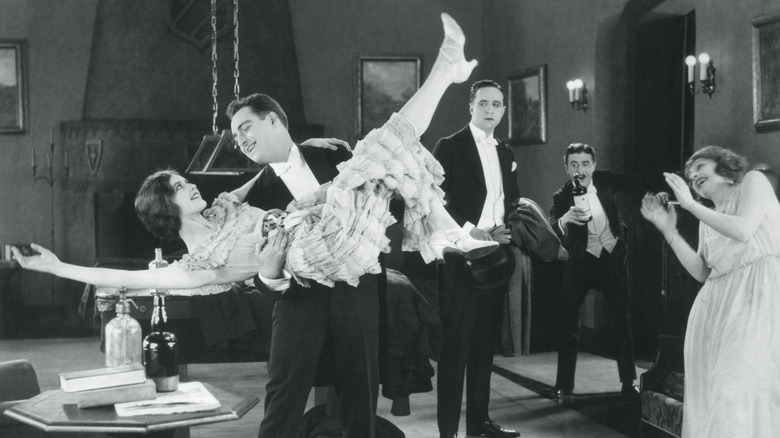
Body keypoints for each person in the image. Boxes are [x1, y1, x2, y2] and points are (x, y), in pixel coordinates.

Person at [14, 12, 488, 438]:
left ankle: (450, 226)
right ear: (167, 210)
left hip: (351, 274)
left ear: (276, 122)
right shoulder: (202, 261)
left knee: (384, 157)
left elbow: (251, 187)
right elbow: (130, 278)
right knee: (382, 151)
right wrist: (58, 268)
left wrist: (290, 166)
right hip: (306, 276)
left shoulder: (278, 178)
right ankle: (447, 80)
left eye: (245, 131)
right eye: (182, 187)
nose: (238, 143)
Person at [640, 146, 780, 438]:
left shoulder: (753, 181)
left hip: (756, 299)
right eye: (690, 177)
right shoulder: (708, 216)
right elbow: (703, 272)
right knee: (711, 397)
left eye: (700, 167)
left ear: (725, 166)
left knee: (736, 391)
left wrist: (690, 205)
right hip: (713, 311)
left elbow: (743, 230)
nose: (693, 177)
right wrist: (669, 230)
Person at [431, 79, 521, 438]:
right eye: (483, 103)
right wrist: (473, 232)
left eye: (496, 104)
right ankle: (448, 431)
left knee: (485, 345)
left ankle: (479, 425)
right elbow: (432, 203)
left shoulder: (506, 152)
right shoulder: (450, 146)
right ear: (471, 107)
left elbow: (509, 198)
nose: (489, 109)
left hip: (495, 256)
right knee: (456, 349)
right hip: (459, 254)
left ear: (502, 111)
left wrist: (506, 228)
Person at [547, 143, 639, 401]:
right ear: (566, 168)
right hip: (581, 263)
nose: (580, 170)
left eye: (585, 164)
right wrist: (566, 218)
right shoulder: (561, 196)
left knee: (622, 319)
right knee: (567, 321)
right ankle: (564, 384)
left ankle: (629, 382)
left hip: (611, 259)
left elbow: (636, 182)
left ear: (594, 166)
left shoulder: (606, 181)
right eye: (574, 164)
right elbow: (552, 224)